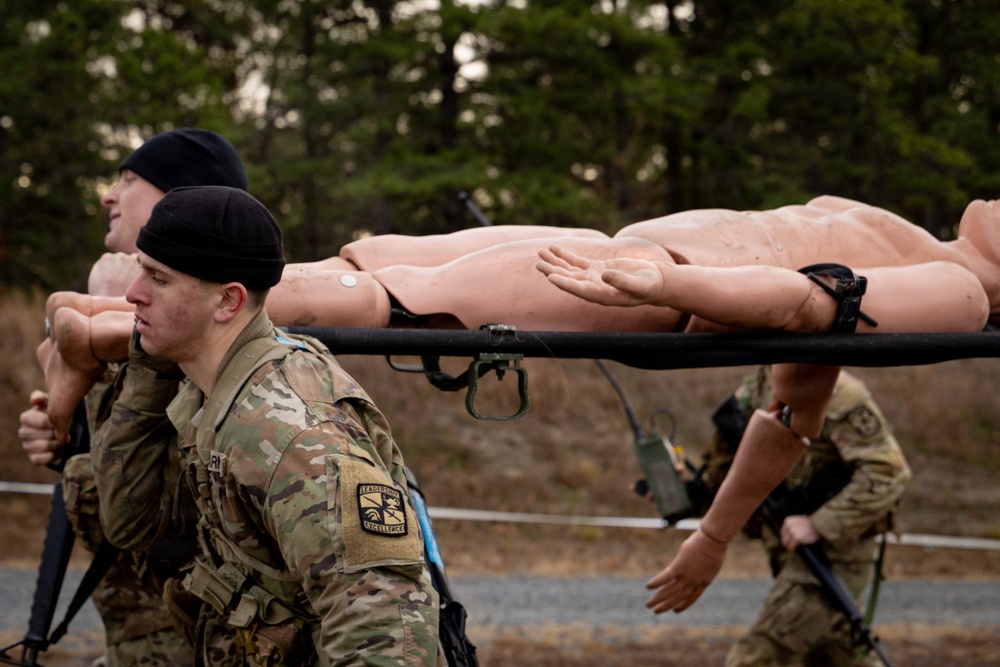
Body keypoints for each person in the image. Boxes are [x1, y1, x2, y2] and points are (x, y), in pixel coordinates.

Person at [36, 194, 998, 617]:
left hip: (639, 285)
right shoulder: (924, 241)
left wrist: (665, 277)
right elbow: (795, 401)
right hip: (623, 253)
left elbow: (804, 309)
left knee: (381, 302)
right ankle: (96, 316)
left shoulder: (958, 293)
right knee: (376, 262)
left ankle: (92, 332)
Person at [89, 185, 439, 665]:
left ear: (228, 302)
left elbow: (386, 620)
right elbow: (131, 521)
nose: (133, 294)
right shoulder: (207, 388)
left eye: (158, 278)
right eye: (140, 271)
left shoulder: (288, 433)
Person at [18, 127, 249, 667]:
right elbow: (121, 460)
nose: (108, 195)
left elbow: (142, 509)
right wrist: (66, 444)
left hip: (202, 642)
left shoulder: (212, 321)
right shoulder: (135, 308)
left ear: (180, 200)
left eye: (129, 179)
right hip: (142, 636)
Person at [696, 366, 910, 666]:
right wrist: (689, 493)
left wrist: (820, 524)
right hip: (791, 557)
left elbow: (888, 471)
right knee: (835, 658)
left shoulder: (834, 391)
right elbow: (736, 473)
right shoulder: (754, 389)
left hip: (834, 560)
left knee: (758, 656)